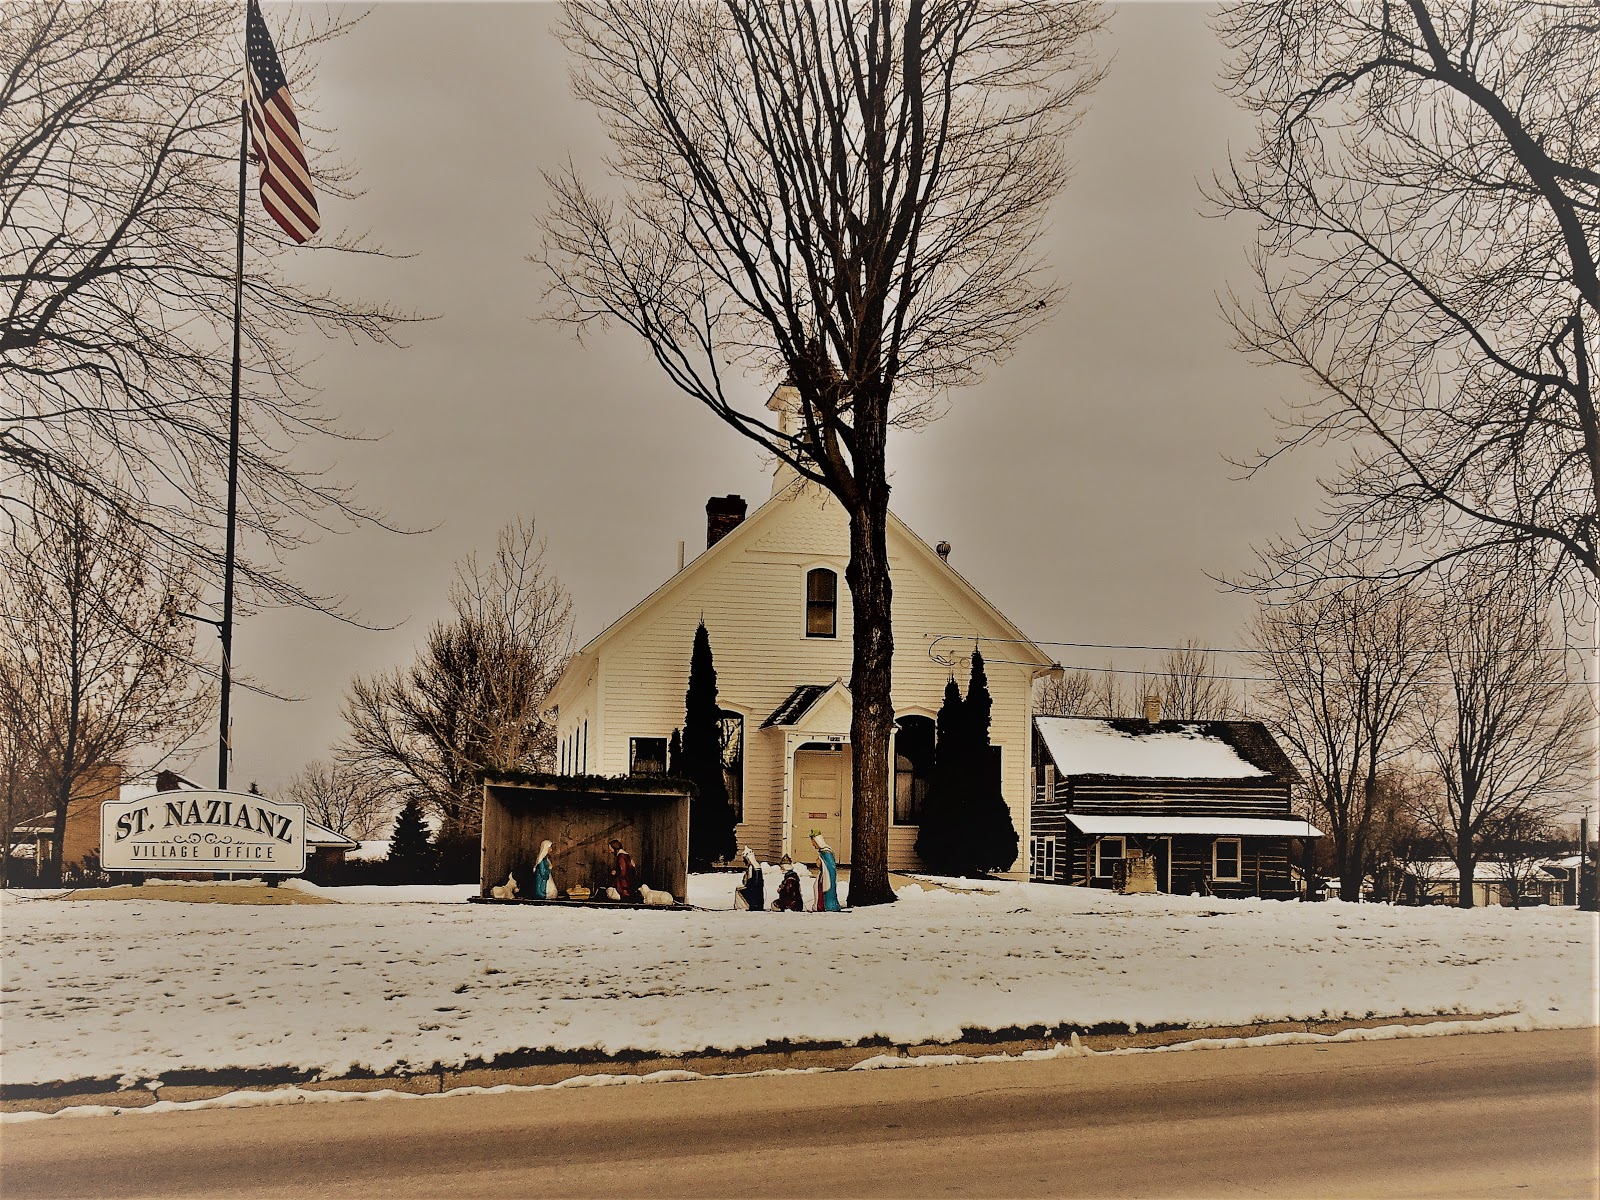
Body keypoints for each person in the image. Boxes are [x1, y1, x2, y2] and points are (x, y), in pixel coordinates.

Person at [811, 831, 841, 911]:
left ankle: (825, 906)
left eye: (814, 842)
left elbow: (830, 866)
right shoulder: (823, 852)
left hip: (827, 876)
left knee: (824, 891)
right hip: (823, 874)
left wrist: (820, 862)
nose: (813, 845)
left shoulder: (826, 852)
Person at [608, 837, 641, 903]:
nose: (610, 851)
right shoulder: (625, 855)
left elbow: (623, 871)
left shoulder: (621, 856)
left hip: (623, 883)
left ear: (614, 848)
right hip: (627, 881)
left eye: (610, 848)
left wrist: (616, 873)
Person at [734, 846, 764, 911]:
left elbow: (755, 883)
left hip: (754, 893)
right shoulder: (751, 867)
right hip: (752, 889)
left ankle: (744, 906)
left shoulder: (754, 867)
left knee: (739, 890)